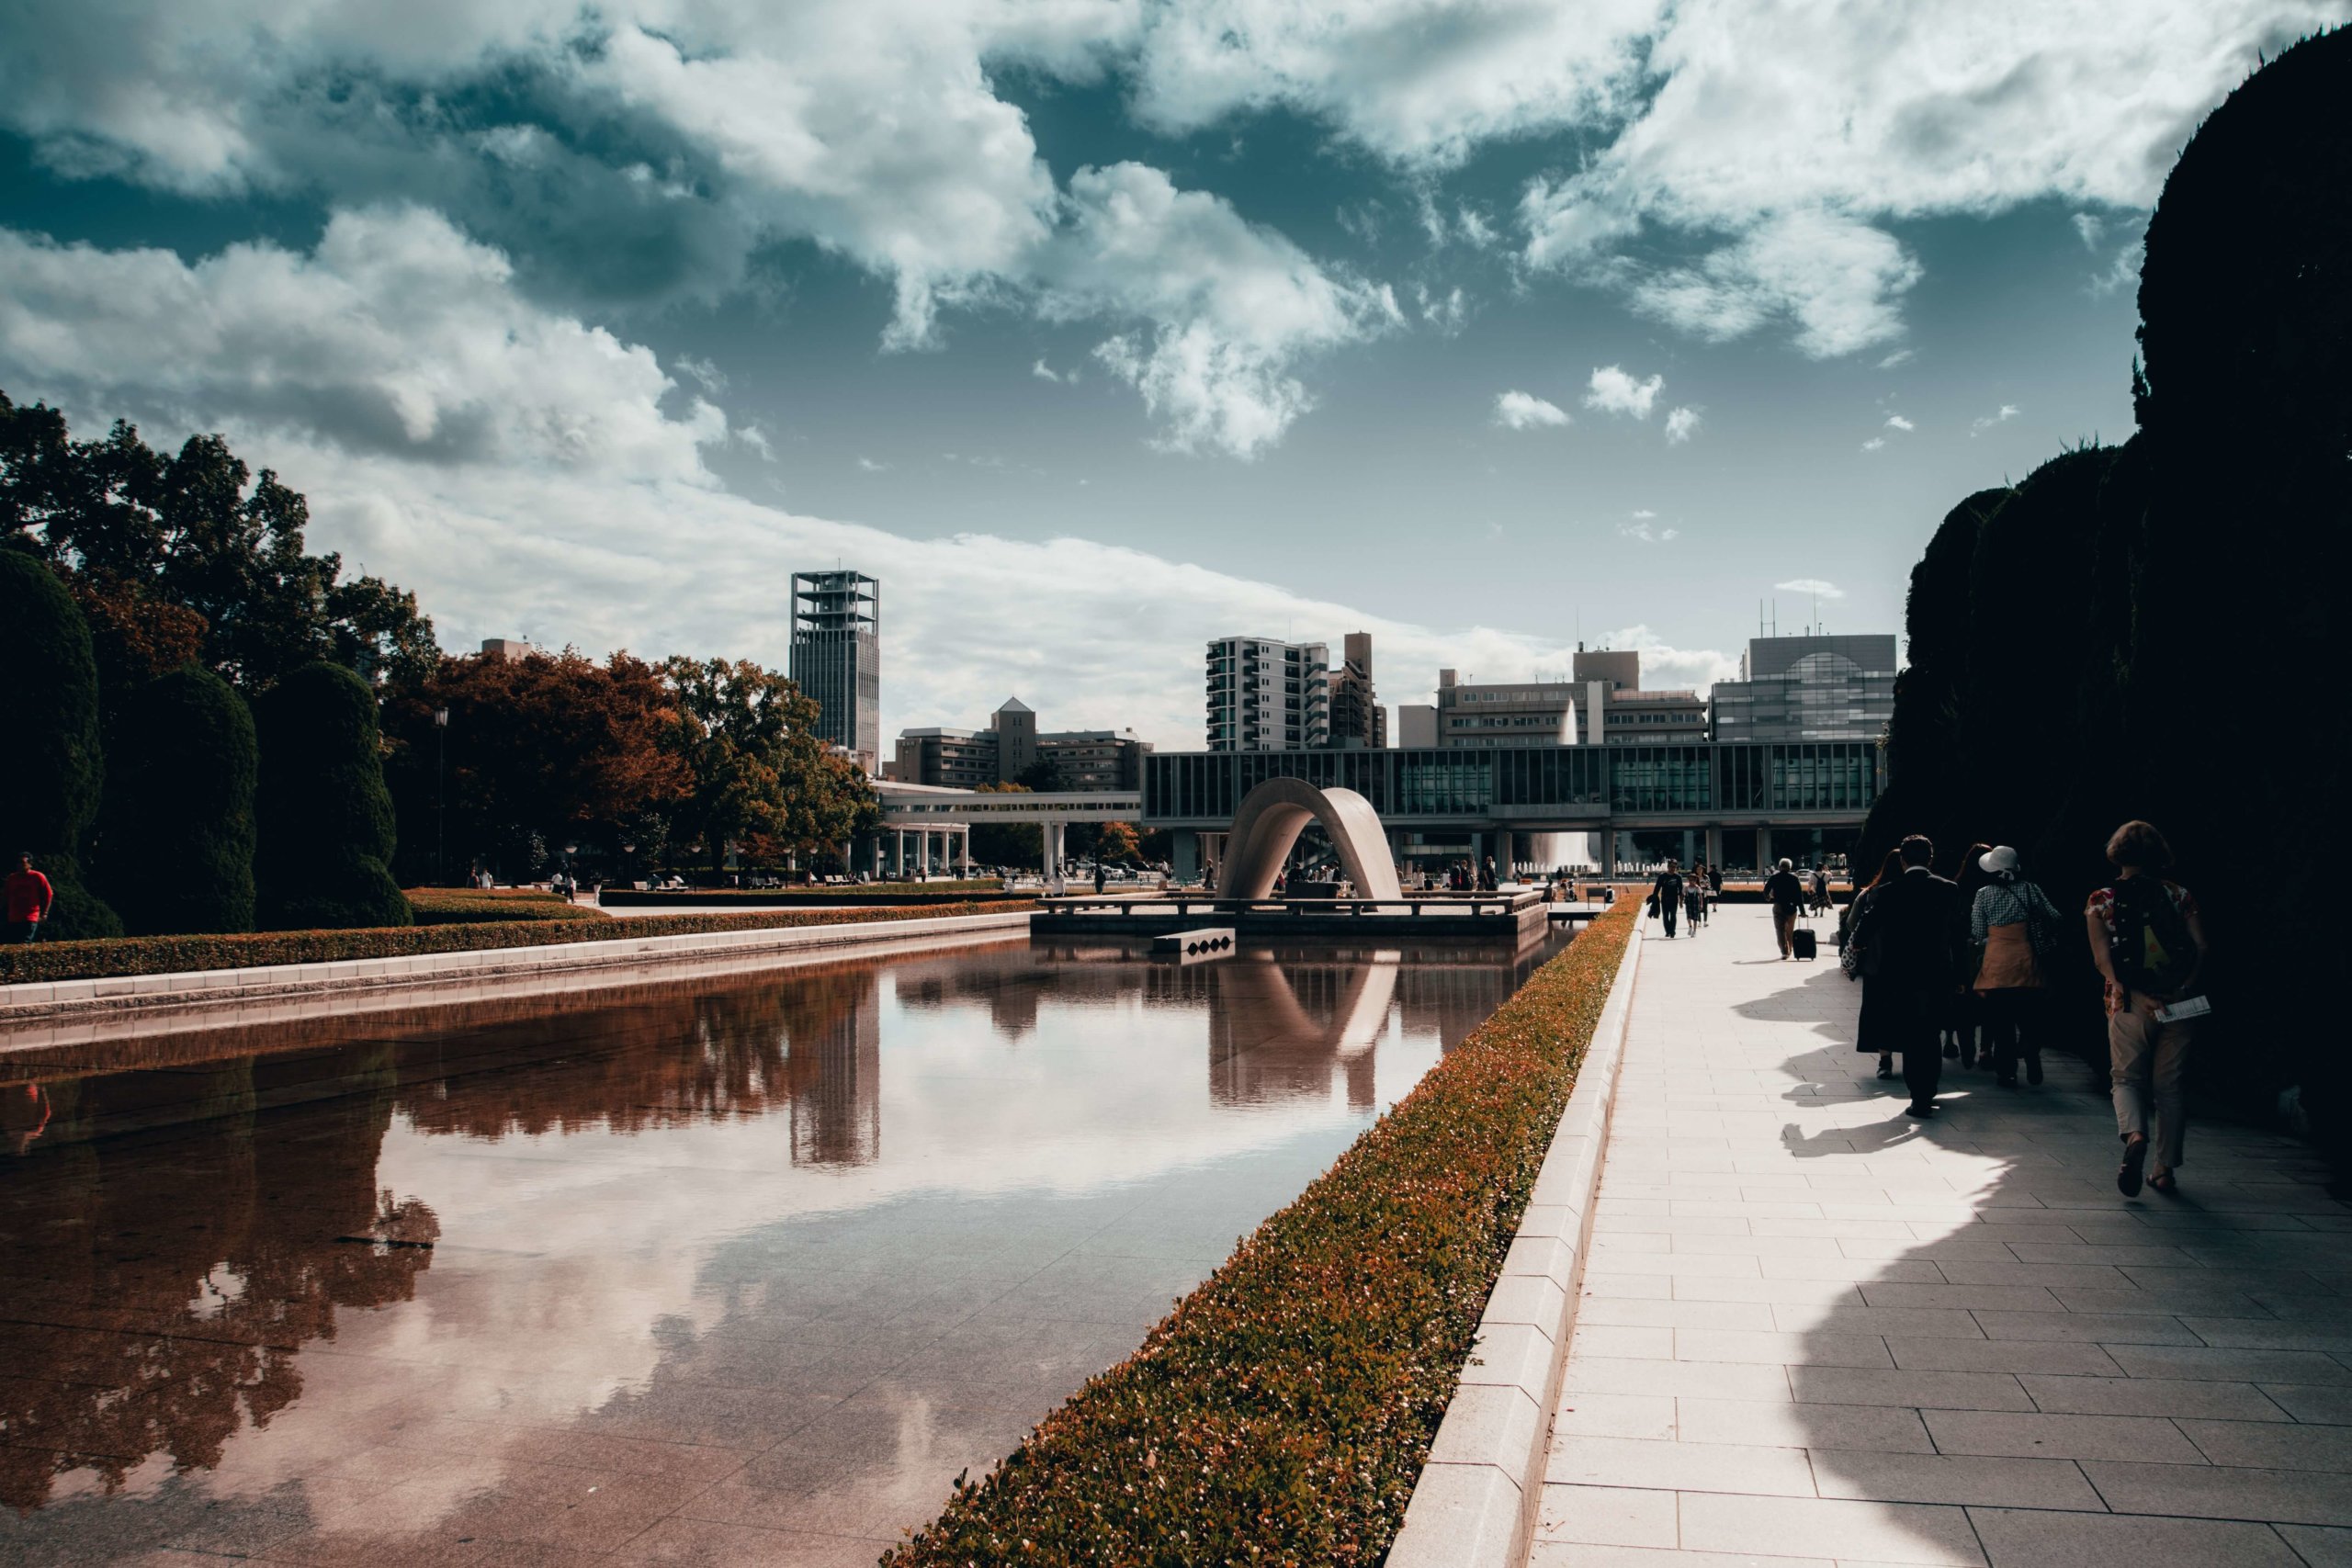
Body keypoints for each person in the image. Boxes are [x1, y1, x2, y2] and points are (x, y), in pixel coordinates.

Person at [2087, 820, 2208, 1197]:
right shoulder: (2180, 895)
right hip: (2181, 1001)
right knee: (2170, 1087)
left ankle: (2135, 1134)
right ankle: (2164, 1170)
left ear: (2116, 853)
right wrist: (2183, 988)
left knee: (2126, 1078)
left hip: (2128, 1003)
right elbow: (2201, 947)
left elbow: (2102, 960)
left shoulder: (2101, 899)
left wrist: (2135, 993)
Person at [1844, 835, 1967, 1117]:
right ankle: (1928, 1089)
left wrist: (1859, 946)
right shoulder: (1949, 889)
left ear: (1902, 860)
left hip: (1898, 976)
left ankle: (1918, 1096)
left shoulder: (1888, 891)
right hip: (1937, 973)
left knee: (1912, 1035)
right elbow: (1958, 936)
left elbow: (1864, 928)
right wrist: (1960, 975)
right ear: (1931, 858)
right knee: (1931, 1033)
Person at [1970, 846, 2064, 1088]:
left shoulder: (1983, 894)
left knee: (2002, 1020)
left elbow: (1978, 932)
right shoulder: (2031, 890)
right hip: (2026, 958)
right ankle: (2031, 1054)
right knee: (2029, 1015)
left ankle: (2007, 1071)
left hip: (1997, 961)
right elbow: (2054, 916)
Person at [1843, 849, 1908, 1079]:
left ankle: (1885, 1060)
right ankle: (1910, 1056)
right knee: (1906, 1011)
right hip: (1909, 964)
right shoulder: (1913, 893)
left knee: (1877, 1012)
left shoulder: (1870, 894)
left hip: (1876, 962)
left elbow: (1852, 925)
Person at [1946, 843, 1997, 1067]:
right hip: (1993, 952)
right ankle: (1986, 1050)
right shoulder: (1994, 889)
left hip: (1962, 954)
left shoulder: (1957, 888)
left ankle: (1966, 1047)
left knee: (1963, 1001)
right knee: (1991, 1004)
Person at [6, 852, 54, 943]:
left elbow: (49, 894)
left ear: (30, 864)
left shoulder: (38, 877)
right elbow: (5, 895)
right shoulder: (12, 878)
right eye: (18, 863)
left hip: (30, 916)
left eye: (22, 863)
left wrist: (45, 913)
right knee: (12, 945)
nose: (19, 865)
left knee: (24, 943)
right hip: (14, 917)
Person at [1764, 857, 1805, 958]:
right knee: (1789, 930)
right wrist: (1802, 911)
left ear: (1779, 867)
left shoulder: (1774, 877)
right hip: (1791, 907)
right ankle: (1790, 949)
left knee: (1779, 930)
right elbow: (1799, 896)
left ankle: (1784, 951)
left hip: (1778, 906)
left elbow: (1766, 890)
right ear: (1790, 868)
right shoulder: (1794, 878)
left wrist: (1768, 897)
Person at [1651, 859, 1684, 938]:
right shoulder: (1662, 876)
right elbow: (1657, 888)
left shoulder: (1678, 877)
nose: (1673, 869)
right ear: (1668, 866)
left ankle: (1672, 931)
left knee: (1673, 915)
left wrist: (1681, 901)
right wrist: (1654, 898)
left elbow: (1681, 890)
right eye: (1671, 867)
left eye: (1674, 867)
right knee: (1665, 916)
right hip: (1665, 899)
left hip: (1674, 899)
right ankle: (1668, 931)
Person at [1682, 865, 1706, 935]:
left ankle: (1694, 931)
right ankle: (1690, 926)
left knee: (1695, 918)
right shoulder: (1686, 888)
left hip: (1695, 904)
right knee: (1688, 916)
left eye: (1693, 880)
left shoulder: (1697, 888)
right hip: (1688, 904)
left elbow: (1701, 896)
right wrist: (1680, 901)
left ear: (1695, 881)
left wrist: (1701, 904)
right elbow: (1682, 895)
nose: (1691, 881)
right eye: (1690, 880)